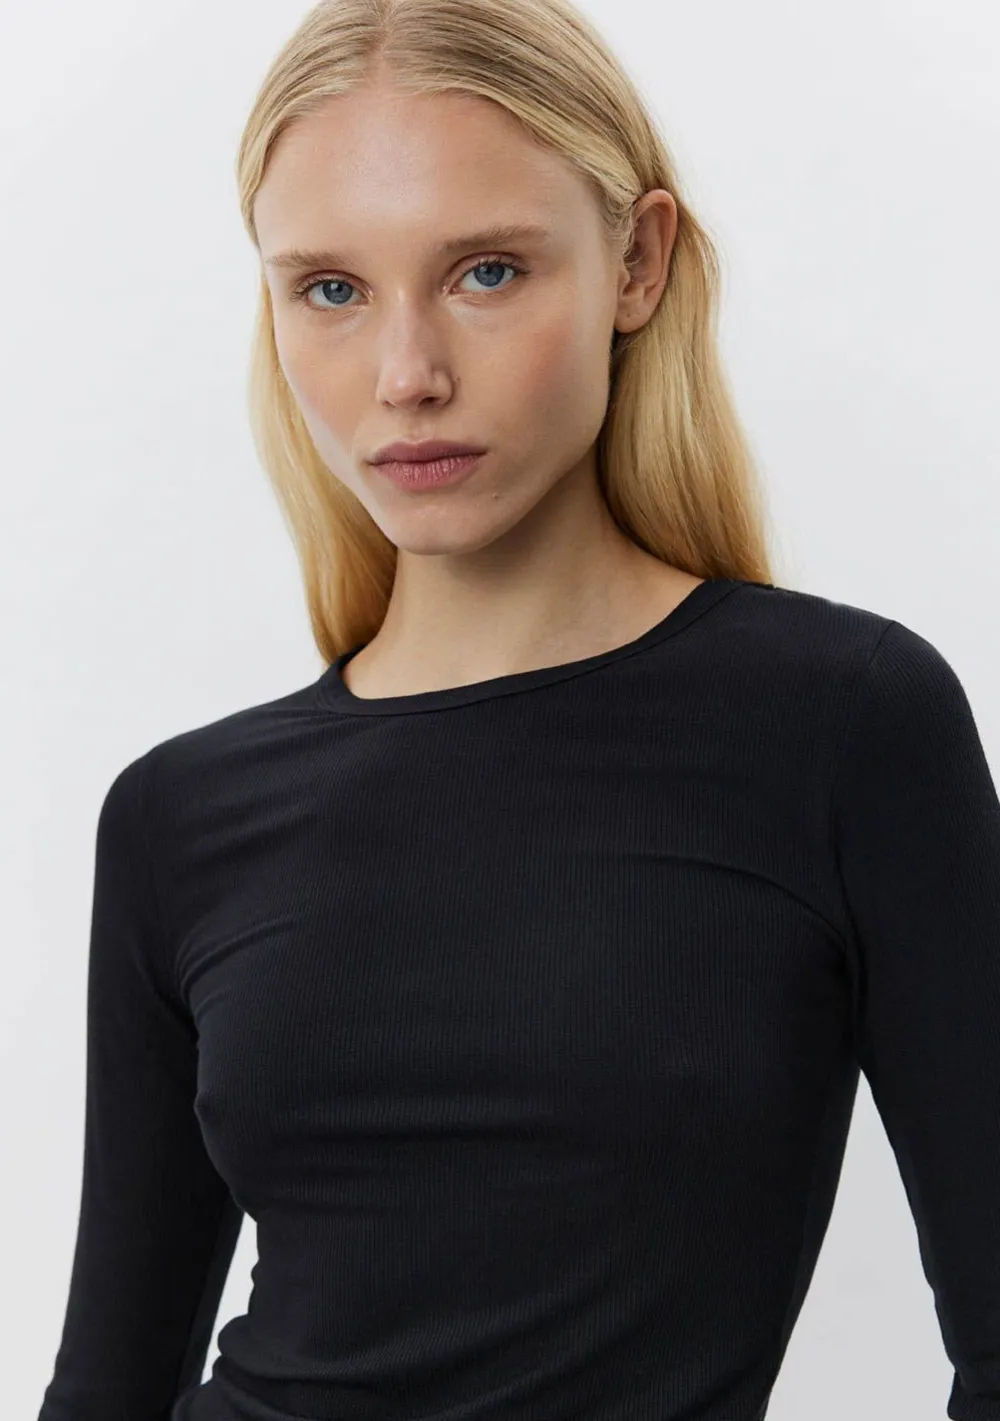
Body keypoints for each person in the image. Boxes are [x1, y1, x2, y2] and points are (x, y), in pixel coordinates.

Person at [37, 0, 1000, 1418]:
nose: (406, 376)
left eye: (485, 272)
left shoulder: (843, 725)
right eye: (330, 289)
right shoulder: (180, 814)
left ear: (637, 262)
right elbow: (108, 1383)